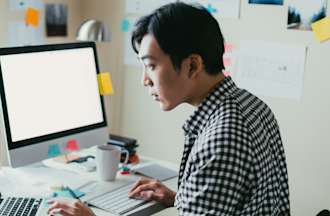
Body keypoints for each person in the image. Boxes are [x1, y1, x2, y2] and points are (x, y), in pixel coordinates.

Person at [48, 2, 290, 215]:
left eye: (151, 65)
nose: (144, 80)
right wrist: (182, 199)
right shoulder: (253, 106)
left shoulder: (221, 138)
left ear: (193, 65)